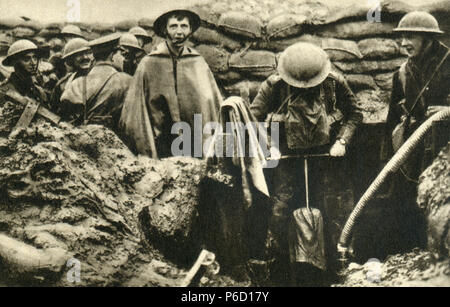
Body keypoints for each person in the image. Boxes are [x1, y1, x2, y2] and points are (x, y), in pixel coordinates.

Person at [250, 42, 363, 286]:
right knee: (280, 208)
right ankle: (274, 267)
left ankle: (342, 263)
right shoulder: (274, 85)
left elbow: (355, 113)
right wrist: (269, 145)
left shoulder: (334, 82)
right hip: (286, 157)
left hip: (328, 156)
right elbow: (252, 118)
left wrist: (342, 141)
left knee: (337, 206)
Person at [382, 11, 450, 252]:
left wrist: (447, 110)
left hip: (446, 153)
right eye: (402, 38)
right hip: (415, 154)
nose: (404, 44)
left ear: (427, 38)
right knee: (410, 205)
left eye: (410, 37)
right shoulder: (401, 74)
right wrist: (389, 162)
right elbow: (392, 120)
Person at [119, 9, 222, 158]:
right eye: (173, 26)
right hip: (162, 140)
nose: (179, 32)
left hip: (194, 139)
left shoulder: (198, 62)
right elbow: (136, 110)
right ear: (164, 30)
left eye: (184, 26)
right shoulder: (149, 63)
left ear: (191, 30)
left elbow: (211, 105)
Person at [60, 33, 132, 133]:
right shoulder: (128, 81)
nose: (124, 59)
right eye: (122, 54)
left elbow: (65, 112)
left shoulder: (77, 83)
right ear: (112, 56)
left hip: (85, 140)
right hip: (117, 142)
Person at [0, 40, 48, 136]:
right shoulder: (4, 92)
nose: (33, 63)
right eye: (27, 59)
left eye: (35, 58)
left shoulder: (38, 90)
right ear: (14, 62)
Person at [50, 38, 93, 114]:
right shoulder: (63, 85)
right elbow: (54, 112)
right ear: (70, 59)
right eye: (79, 54)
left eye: (88, 53)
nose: (85, 57)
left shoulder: (101, 78)